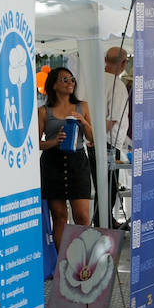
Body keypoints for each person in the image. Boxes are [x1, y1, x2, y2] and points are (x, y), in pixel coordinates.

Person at [37, 66, 95, 253]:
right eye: (65, 79)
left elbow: (92, 138)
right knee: (60, 216)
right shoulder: (44, 111)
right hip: (52, 162)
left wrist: (84, 122)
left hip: (77, 162)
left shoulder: (82, 106)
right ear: (53, 85)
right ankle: (63, 262)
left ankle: (85, 259)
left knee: (82, 215)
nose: (70, 82)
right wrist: (54, 141)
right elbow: (36, 144)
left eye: (72, 79)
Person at [104, 47, 131, 156]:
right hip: (109, 142)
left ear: (105, 60)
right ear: (123, 63)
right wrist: (96, 138)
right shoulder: (118, 86)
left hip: (94, 138)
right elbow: (113, 118)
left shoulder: (94, 80)